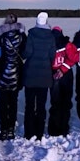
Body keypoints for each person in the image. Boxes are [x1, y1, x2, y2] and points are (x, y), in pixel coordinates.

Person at [0, 13, 26, 140]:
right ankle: (11, 129)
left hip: (3, 74)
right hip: (16, 74)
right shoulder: (22, 36)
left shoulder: (1, 37)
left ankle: (4, 129)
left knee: (3, 102)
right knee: (13, 102)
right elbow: (25, 53)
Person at [22, 11, 55, 139]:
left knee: (29, 105)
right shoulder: (51, 37)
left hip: (30, 74)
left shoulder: (31, 35)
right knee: (41, 105)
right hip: (45, 76)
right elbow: (53, 56)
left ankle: (29, 133)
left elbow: (27, 53)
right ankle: (39, 133)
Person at [48, 25, 77, 136]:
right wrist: (63, 69)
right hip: (66, 75)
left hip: (53, 75)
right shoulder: (67, 43)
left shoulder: (48, 43)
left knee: (55, 103)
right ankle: (64, 128)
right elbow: (73, 58)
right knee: (65, 102)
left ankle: (53, 129)